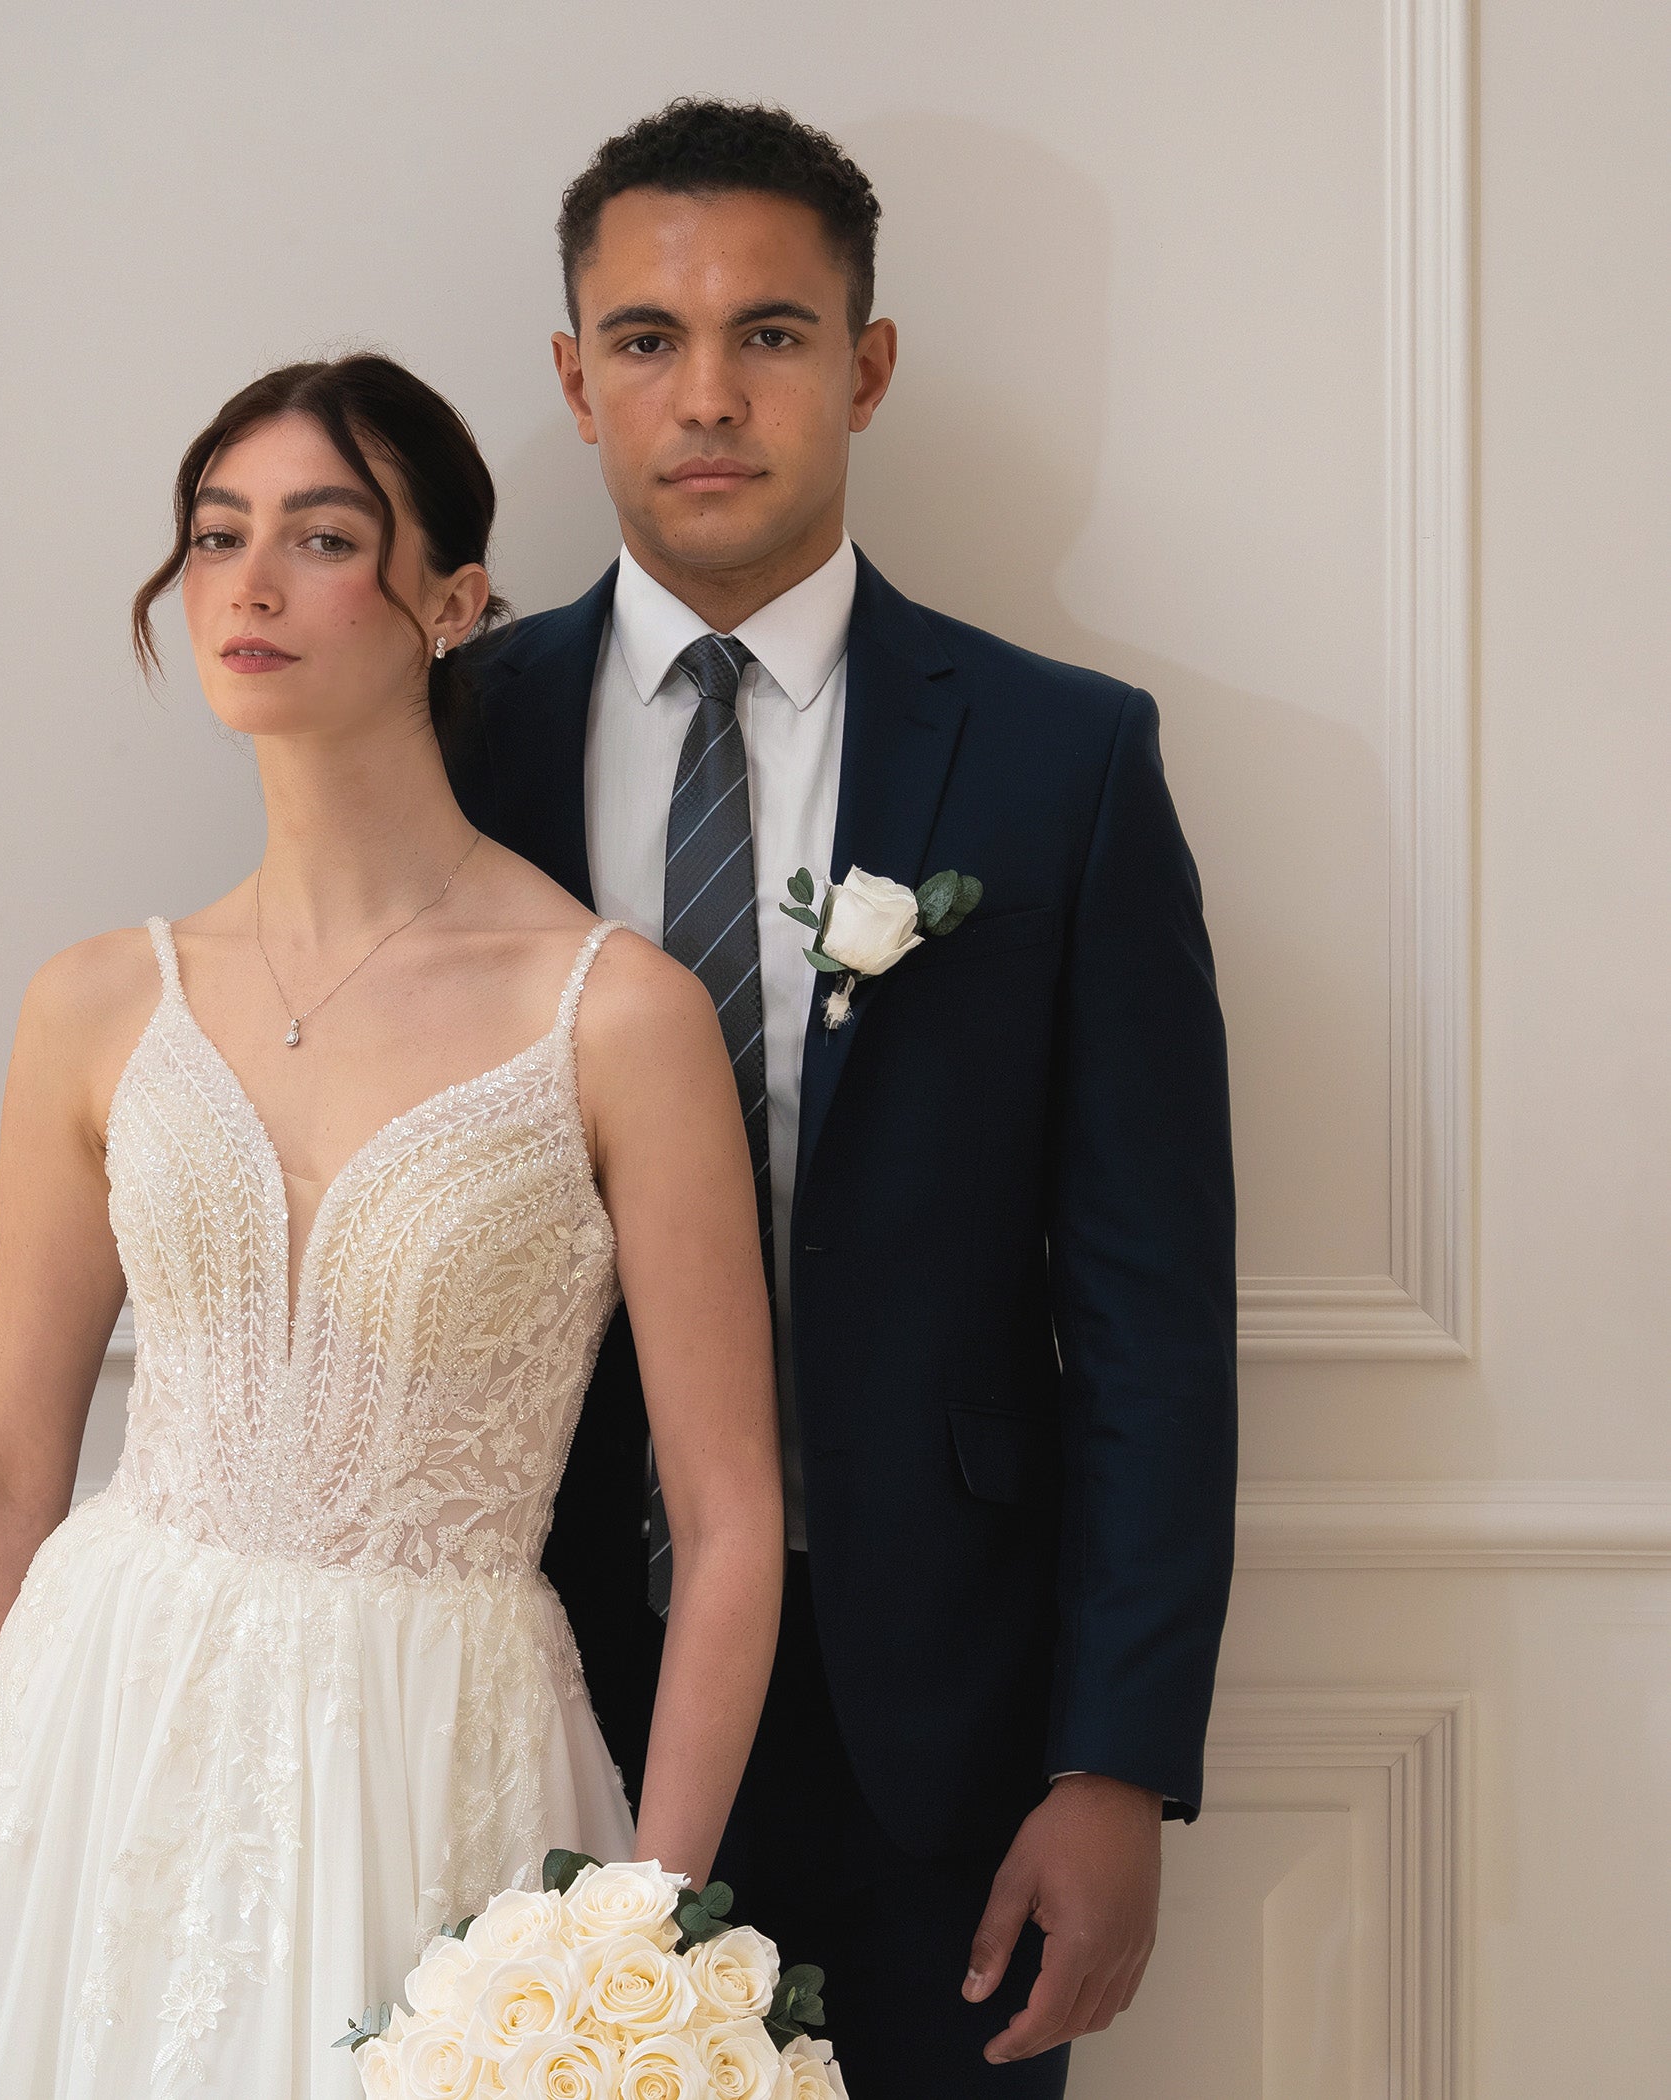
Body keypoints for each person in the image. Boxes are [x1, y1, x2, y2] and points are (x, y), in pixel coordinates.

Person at [0, 354, 785, 2099]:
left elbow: (730, 1519)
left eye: (324, 537)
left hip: (432, 1760)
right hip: (103, 1744)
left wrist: (635, 1939)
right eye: (217, 535)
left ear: (455, 603)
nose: (251, 585)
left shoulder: (615, 1017)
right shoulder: (99, 1002)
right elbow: (0, 1472)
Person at [447, 100, 1239, 2093]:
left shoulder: (1063, 761)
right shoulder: (448, 743)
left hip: (941, 1735)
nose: (708, 395)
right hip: (530, 1686)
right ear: (576, 381)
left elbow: (1150, 1311)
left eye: (773, 334)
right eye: (647, 339)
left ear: (867, 366)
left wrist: (1116, 1761)